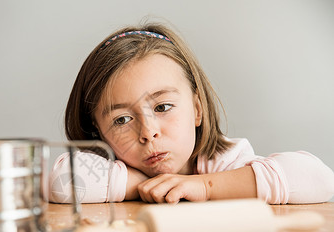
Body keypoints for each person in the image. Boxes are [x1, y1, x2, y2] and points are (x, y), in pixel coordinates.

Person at [49, 22, 334, 205]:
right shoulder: (109, 170)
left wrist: (206, 187)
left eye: (162, 107)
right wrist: (145, 185)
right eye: (122, 120)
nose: (148, 133)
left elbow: (320, 179)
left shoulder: (225, 162)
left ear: (197, 110)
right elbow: (58, 182)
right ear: (97, 131)